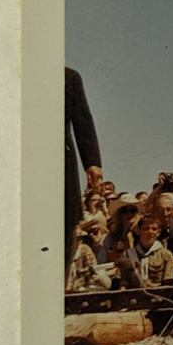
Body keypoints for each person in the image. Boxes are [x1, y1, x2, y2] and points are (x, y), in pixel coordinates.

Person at [65, 67, 102, 243]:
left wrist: (92, 163)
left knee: (67, 223)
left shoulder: (69, 77)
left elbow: (82, 120)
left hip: (61, 158)